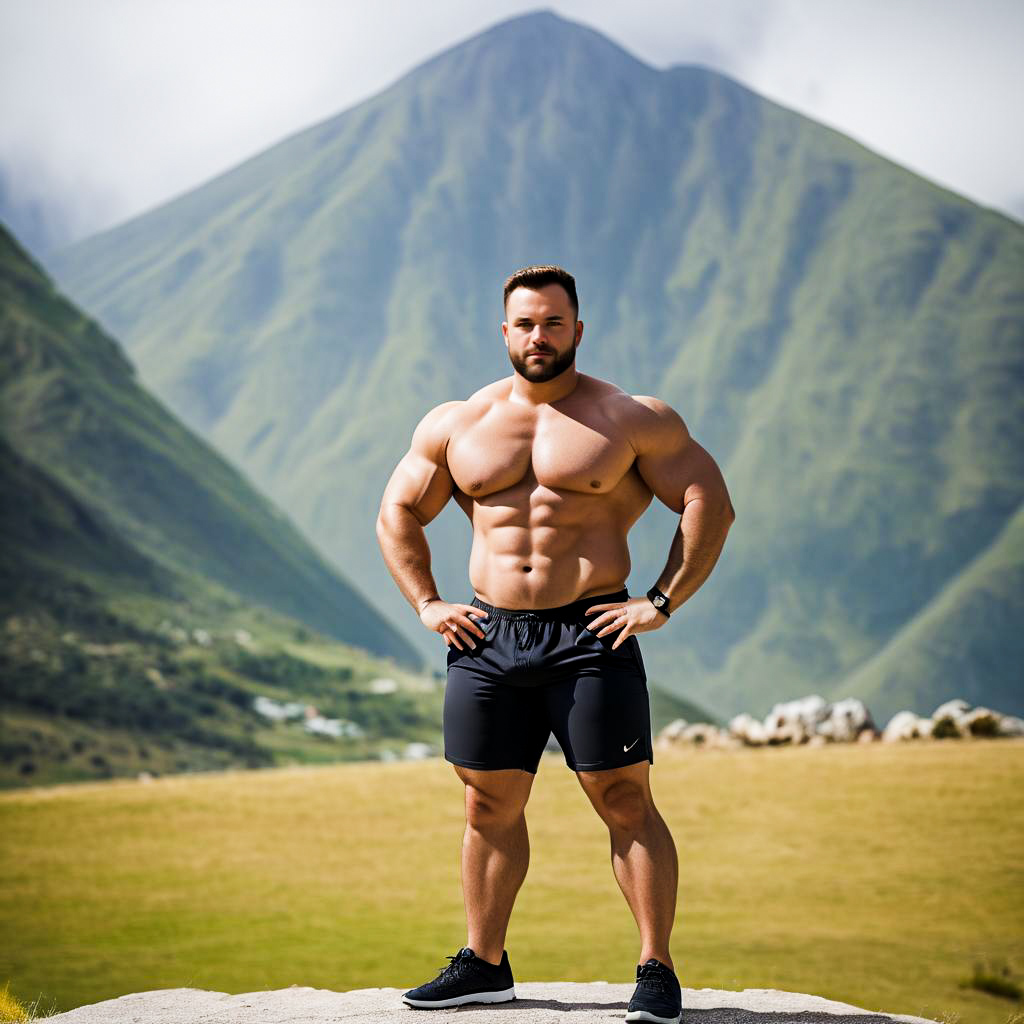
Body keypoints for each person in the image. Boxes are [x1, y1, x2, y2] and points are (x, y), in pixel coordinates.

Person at [376, 265, 735, 1023]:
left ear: (579, 329)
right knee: (485, 805)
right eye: (526, 324)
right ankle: (484, 963)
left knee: (624, 798)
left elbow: (708, 499)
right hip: (487, 633)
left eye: (554, 323)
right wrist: (428, 603)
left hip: (591, 629)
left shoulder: (629, 418)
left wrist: (662, 602)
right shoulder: (458, 423)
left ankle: (656, 970)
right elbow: (399, 510)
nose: (540, 337)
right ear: (504, 332)